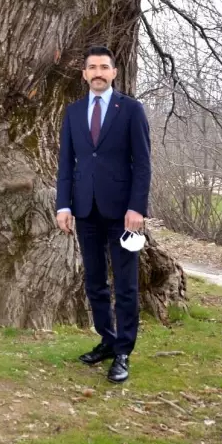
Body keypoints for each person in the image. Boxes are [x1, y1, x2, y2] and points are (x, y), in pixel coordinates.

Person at [56, 46, 151, 384]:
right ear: (84, 74)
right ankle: (108, 340)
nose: (98, 72)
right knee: (95, 282)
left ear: (114, 73)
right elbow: (67, 163)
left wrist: (137, 208)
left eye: (104, 67)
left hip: (123, 216)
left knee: (125, 285)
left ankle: (124, 351)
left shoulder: (131, 110)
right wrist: (63, 205)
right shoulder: (74, 112)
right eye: (92, 67)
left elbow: (142, 164)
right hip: (85, 211)